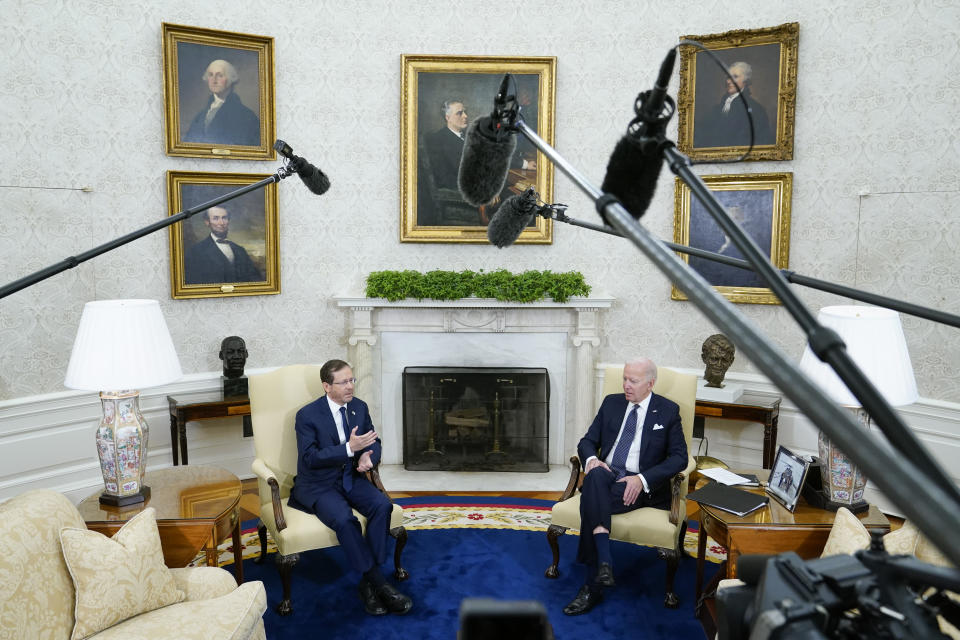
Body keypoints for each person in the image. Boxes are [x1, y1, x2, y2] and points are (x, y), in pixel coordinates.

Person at [563, 357, 688, 616]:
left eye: (633, 380)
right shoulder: (612, 402)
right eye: (624, 378)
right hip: (605, 475)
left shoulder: (667, 411)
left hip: (637, 485)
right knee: (596, 476)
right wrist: (593, 460)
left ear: (650, 383)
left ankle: (592, 585)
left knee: (591, 498)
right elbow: (587, 441)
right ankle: (604, 560)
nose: (626, 385)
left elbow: (679, 458)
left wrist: (641, 480)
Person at [287, 359, 413, 616]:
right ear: (326, 386)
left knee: (382, 505)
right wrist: (348, 449)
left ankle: (367, 583)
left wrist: (368, 456)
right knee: (345, 520)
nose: (350, 386)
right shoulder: (307, 415)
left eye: (352, 380)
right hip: (318, 484)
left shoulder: (359, 407)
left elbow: (373, 440)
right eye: (343, 382)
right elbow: (310, 458)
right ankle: (379, 583)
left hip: (350, 476)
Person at [184, 59, 260, 146]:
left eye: (220, 75)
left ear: (230, 79)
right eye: (210, 75)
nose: (214, 80)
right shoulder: (200, 116)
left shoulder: (246, 116)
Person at [697, 61, 773, 148]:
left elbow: (760, 141)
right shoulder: (717, 108)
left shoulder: (756, 109)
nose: (729, 81)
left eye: (735, 77)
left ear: (746, 81)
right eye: (728, 77)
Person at [183, 206, 263, 285]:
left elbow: (255, 279)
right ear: (207, 222)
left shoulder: (240, 250)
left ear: (228, 220)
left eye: (224, 218)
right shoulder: (195, 252)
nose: (221, 223)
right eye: (216, 218)